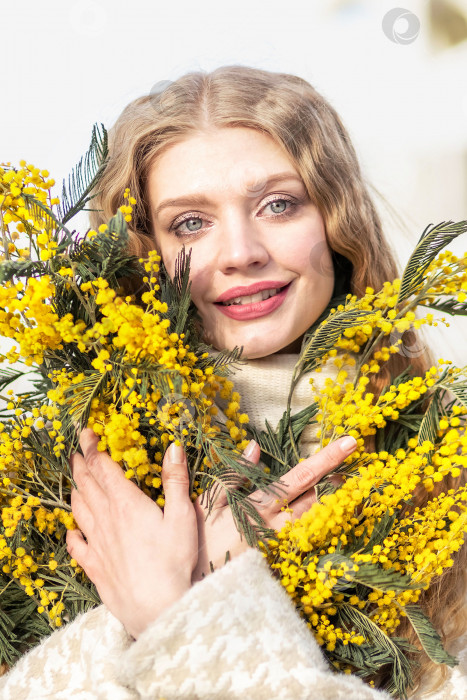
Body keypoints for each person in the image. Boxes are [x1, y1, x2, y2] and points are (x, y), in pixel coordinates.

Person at [1, 65, 466, 699]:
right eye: (190, 223)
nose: (241, 251)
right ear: (139, 251)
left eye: (279, 204)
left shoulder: (451, 471)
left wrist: (181, 614)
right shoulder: (50, 481)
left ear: (336, 223)